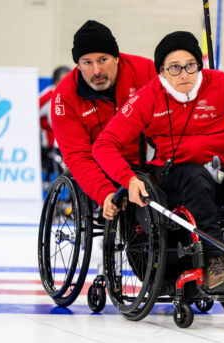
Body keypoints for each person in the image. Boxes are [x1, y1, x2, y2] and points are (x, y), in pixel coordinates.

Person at [93, 31, 224, 294]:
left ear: (199, 66)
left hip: (220, 173)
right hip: (175, 177)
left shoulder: (221, 84)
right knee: (193, 175)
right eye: (175, 67)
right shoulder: (148, 97)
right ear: (162, 71)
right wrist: (129, 178)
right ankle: (213, 262)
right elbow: (104, 144)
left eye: (190, 66)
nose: (184, 74)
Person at [51, 20, 156, 215]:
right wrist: (105, 193)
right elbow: (77, 156)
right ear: (78, 65)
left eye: (103, 60)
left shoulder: (146, 72)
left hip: (146, 162)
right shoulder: (64, 96)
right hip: (101, 168)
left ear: (116, 57)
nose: (97, 71)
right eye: (87, 63)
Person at [40, 65, 71, 184]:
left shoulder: (69, 95)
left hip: (66, 143)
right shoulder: (49, 96)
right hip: (52, 146)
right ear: (57, 81)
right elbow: (30, 114)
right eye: (65, 79)